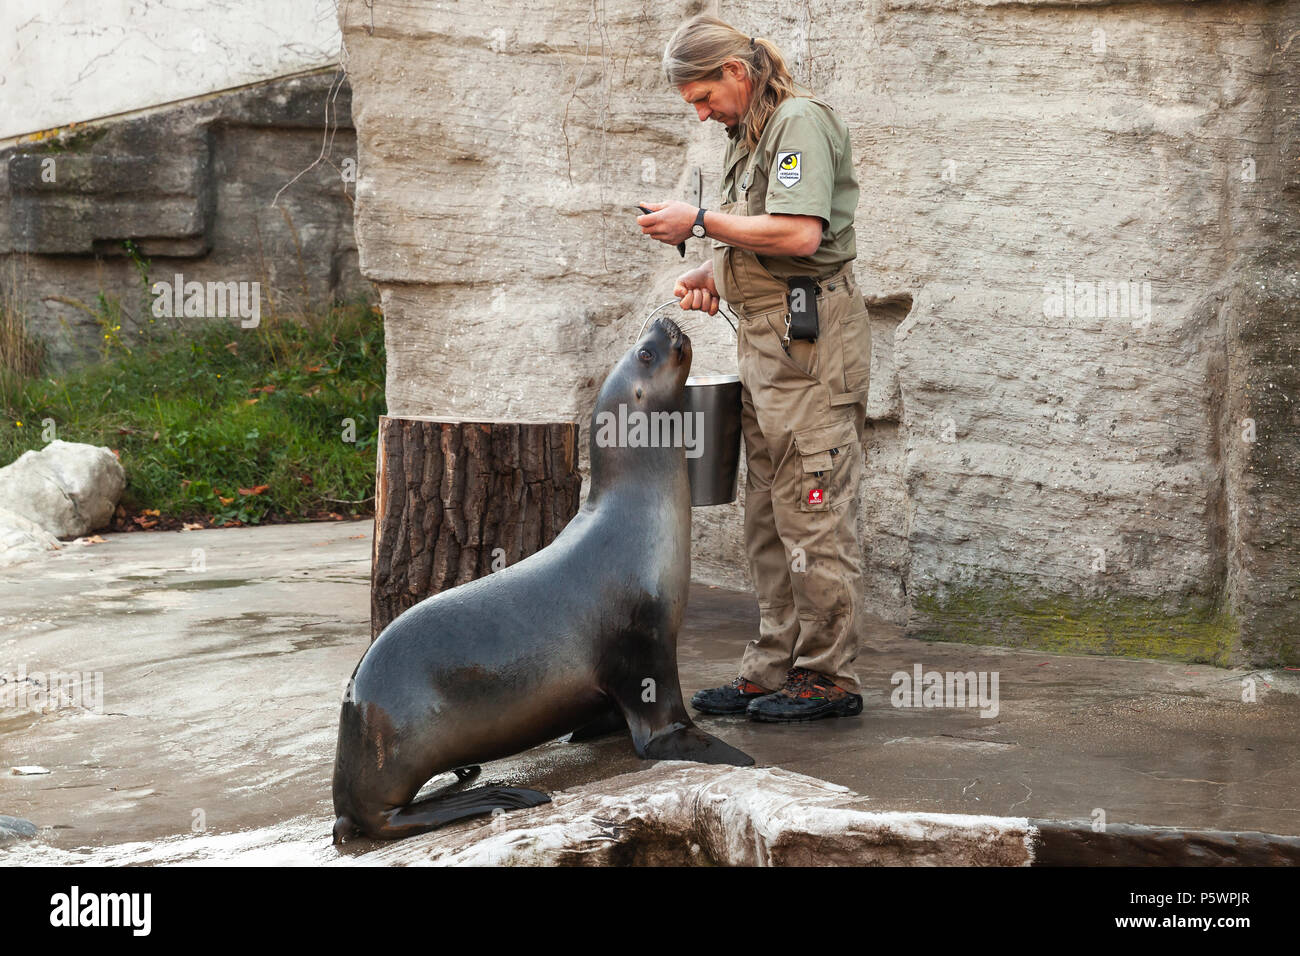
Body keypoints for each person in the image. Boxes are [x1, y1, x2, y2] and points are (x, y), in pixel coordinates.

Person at [636, 15, 872, 723]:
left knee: (812, 509)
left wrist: (701, 223)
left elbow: (802, 233)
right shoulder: (753, 136)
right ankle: (774, 668)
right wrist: (720, 269)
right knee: (767, 514)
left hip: (810, 344)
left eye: (706, 98)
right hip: (769, 343)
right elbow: (769, 233)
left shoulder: (798, 123)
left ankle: (828, 677)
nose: (704, 115)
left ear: (736, 72)